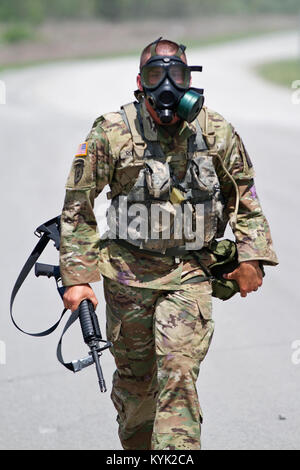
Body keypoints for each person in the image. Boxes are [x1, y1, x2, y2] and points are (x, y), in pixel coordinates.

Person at [60, 38, 278, 450]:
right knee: (136, 388)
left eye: (176, 75)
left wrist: (253, 258)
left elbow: (244, 199)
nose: (166, 86)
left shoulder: (215, 131)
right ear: (139, 83)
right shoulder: (111, 132)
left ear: (189, 79)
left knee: (178, 373)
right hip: (127, 278)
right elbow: (78, 206)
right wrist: (78, 277)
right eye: (155, 75)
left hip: (189, 274)